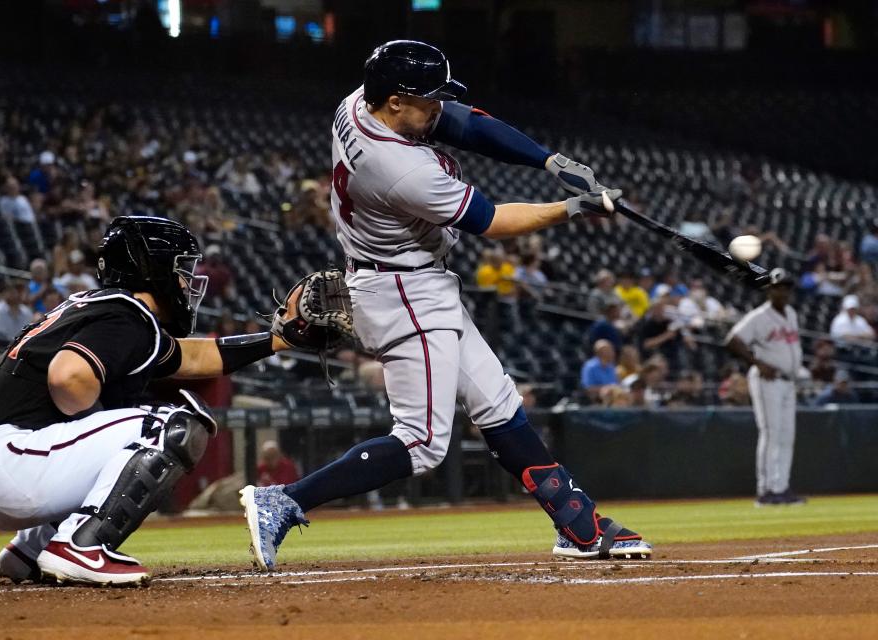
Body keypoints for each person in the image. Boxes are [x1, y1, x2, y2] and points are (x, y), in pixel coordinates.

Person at [240, 39, 651, 571]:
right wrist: (573, 207)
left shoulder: (358, 104)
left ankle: (578, 525)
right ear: (394, 102)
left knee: (498, 405)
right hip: (404, 291)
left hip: (413, 281)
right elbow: (493, 222)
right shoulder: (399, 168)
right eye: (426, 99)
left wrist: (550, 160)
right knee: (420, 442)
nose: (437, 108)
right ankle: (285, 499)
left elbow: (463, 122)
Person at [0, 216, 305, 586]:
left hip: (1, 463)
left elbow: (194, 358)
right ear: (152, 269)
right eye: (181, 268)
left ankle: (28, 550)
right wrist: (97, 414)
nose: (188, 281)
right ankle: (82, 546)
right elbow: (67, 376)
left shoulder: (106, 308)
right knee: (173, 426)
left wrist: (276, 341)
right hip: (15, 461)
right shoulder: (128, 315)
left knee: (126, 444)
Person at [726, 268, 805, 507]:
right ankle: (766, 490)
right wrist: (758, 363)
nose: (783, 291)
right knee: (771, 433)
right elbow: (733, 341)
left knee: (786, 435)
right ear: (769, 289)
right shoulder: (759, 317)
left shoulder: (790, 313)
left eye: (787, 287)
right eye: (779, 287)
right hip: (767, 380)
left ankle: (781, 487)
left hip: (788, 381)